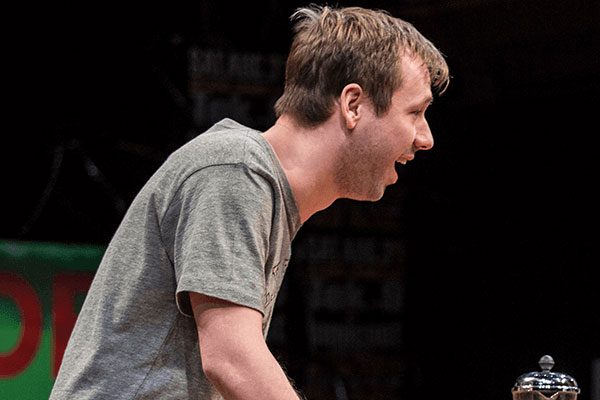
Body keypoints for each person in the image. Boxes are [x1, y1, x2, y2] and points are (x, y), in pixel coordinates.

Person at [50, 6, 447, 399]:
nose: (425, 138)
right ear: (353, 105)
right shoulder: (236, 170)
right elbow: (232, 358)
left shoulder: (260, 187)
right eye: (415, 112)